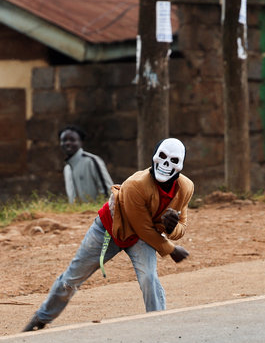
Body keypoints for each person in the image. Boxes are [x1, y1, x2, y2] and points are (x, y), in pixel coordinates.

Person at [23, 137, 193, 332]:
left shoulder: (185, 188)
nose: (165, 164)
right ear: (153, 158)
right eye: (161, 157)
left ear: (180, 166)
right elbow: (143, 227)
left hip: (139, 238)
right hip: (109, 229)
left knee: (149, 278)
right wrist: (170, 249)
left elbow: (181, 225)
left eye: (173, 160)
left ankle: (157, 322)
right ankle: (42, 317)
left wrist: (171, 228)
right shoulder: (136, 184)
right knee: (72, 277)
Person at [59, 125, 113, 203]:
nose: (67, 143)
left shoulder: (91, 161)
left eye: (72, 140)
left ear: (80, 142)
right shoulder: (67, 168)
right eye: (64, 140)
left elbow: (108, 191)